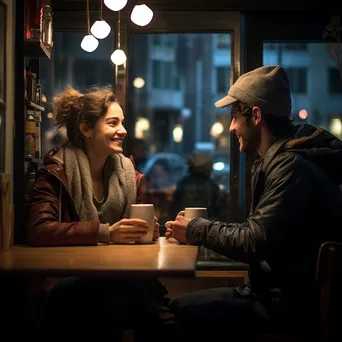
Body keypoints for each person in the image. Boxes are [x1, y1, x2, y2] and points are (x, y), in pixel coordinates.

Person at [165, 65, 342, 339]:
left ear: (256, 115)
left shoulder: (291, 166)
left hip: (286, 308)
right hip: (276, 296)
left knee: (172, 314)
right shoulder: (278, 160)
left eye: (235, 116)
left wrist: (195, 230)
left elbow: (254, 241)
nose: (231, 126)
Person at [26, 85, 177, 339]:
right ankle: (167, 325)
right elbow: (39, 230)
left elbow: (140, 230)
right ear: (86, 129)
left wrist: (150, 229)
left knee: (123, 287)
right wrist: (105, 232)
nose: (124, 130)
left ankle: (166, 326)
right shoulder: (57, 172)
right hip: (65, 278)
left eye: (123, 122)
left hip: (112, 276)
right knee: (123, 289)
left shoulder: (128, 174)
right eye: (113, 123)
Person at [169, 151, 221, 220]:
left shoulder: (184, 183)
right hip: (206, 226)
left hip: (186, 224)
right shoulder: (212, 186)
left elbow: (174, 209)